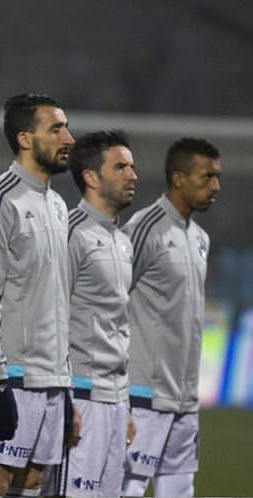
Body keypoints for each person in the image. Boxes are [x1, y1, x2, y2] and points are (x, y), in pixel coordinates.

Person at [0, 93, 76, 498]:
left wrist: (65, 383)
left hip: (52, 378)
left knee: (31, 481)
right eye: (56, 129)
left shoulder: (59, 205)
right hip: (12, 373)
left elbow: (55, 299)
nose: (68, 138)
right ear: (25, 138)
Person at [121, 138, 220, 498]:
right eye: (207, 176)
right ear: (179, 178)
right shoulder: (146, 227)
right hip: (144, 394)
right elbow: (112, 299)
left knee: (180, 491)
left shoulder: (200, 238)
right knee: (128, 488)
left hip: (184, 399)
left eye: (217, 177)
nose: (215, 186)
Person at [43, 129, 137, 497]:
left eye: (131, 167)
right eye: (120, 167)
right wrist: (64, 401)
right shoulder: (72, 233)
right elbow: (52, 317)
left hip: (114, 400)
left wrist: (124, 405)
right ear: (91, 177)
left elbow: (119, 326)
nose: (132, 175)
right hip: (81, 394)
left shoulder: (123, 241)